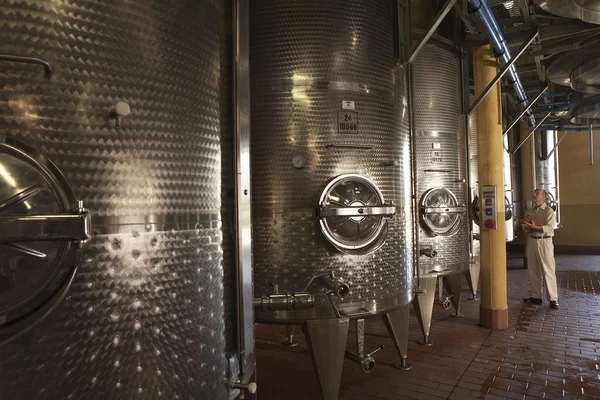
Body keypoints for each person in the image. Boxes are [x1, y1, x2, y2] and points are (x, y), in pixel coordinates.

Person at [520, 189, 559, 309]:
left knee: (548, 270)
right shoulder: (530, 211)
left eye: (537, 193)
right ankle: (536, 296)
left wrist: (536, 227)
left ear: (544, 197)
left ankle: (553, 299)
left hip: (544, 241)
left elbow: (550, 227)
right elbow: (527, 225)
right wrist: (526, 226)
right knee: (532, 269)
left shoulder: (549, 211)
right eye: (534, 193)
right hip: (532, 241)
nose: (534, 195)